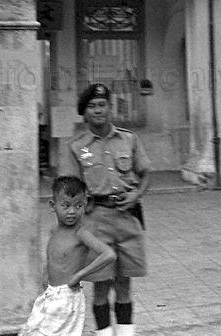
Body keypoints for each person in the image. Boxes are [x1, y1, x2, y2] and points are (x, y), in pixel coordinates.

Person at [60, 83, 151, 336]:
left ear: (111, 109)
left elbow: (145, 174)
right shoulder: (76, 147)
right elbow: (68, 188)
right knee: (101, 286)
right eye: (92, 106)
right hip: (95, 222)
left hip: (127, 219)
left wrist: (136, 194)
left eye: (102, 105)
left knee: (124, 284)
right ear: (84, 113)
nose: (98, 110)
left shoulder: (129, 139)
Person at [20, 176, 116, 336]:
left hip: (67, 296)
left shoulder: (81, 233)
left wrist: (80, 274)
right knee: (34, 330)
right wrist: (45, 275)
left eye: (78, 206)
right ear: (53, 206)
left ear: (84, 205)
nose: (72, 211)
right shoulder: (54, 231)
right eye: (66, 206)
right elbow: (52, 256)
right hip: (51, 294)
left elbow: (109, 254)